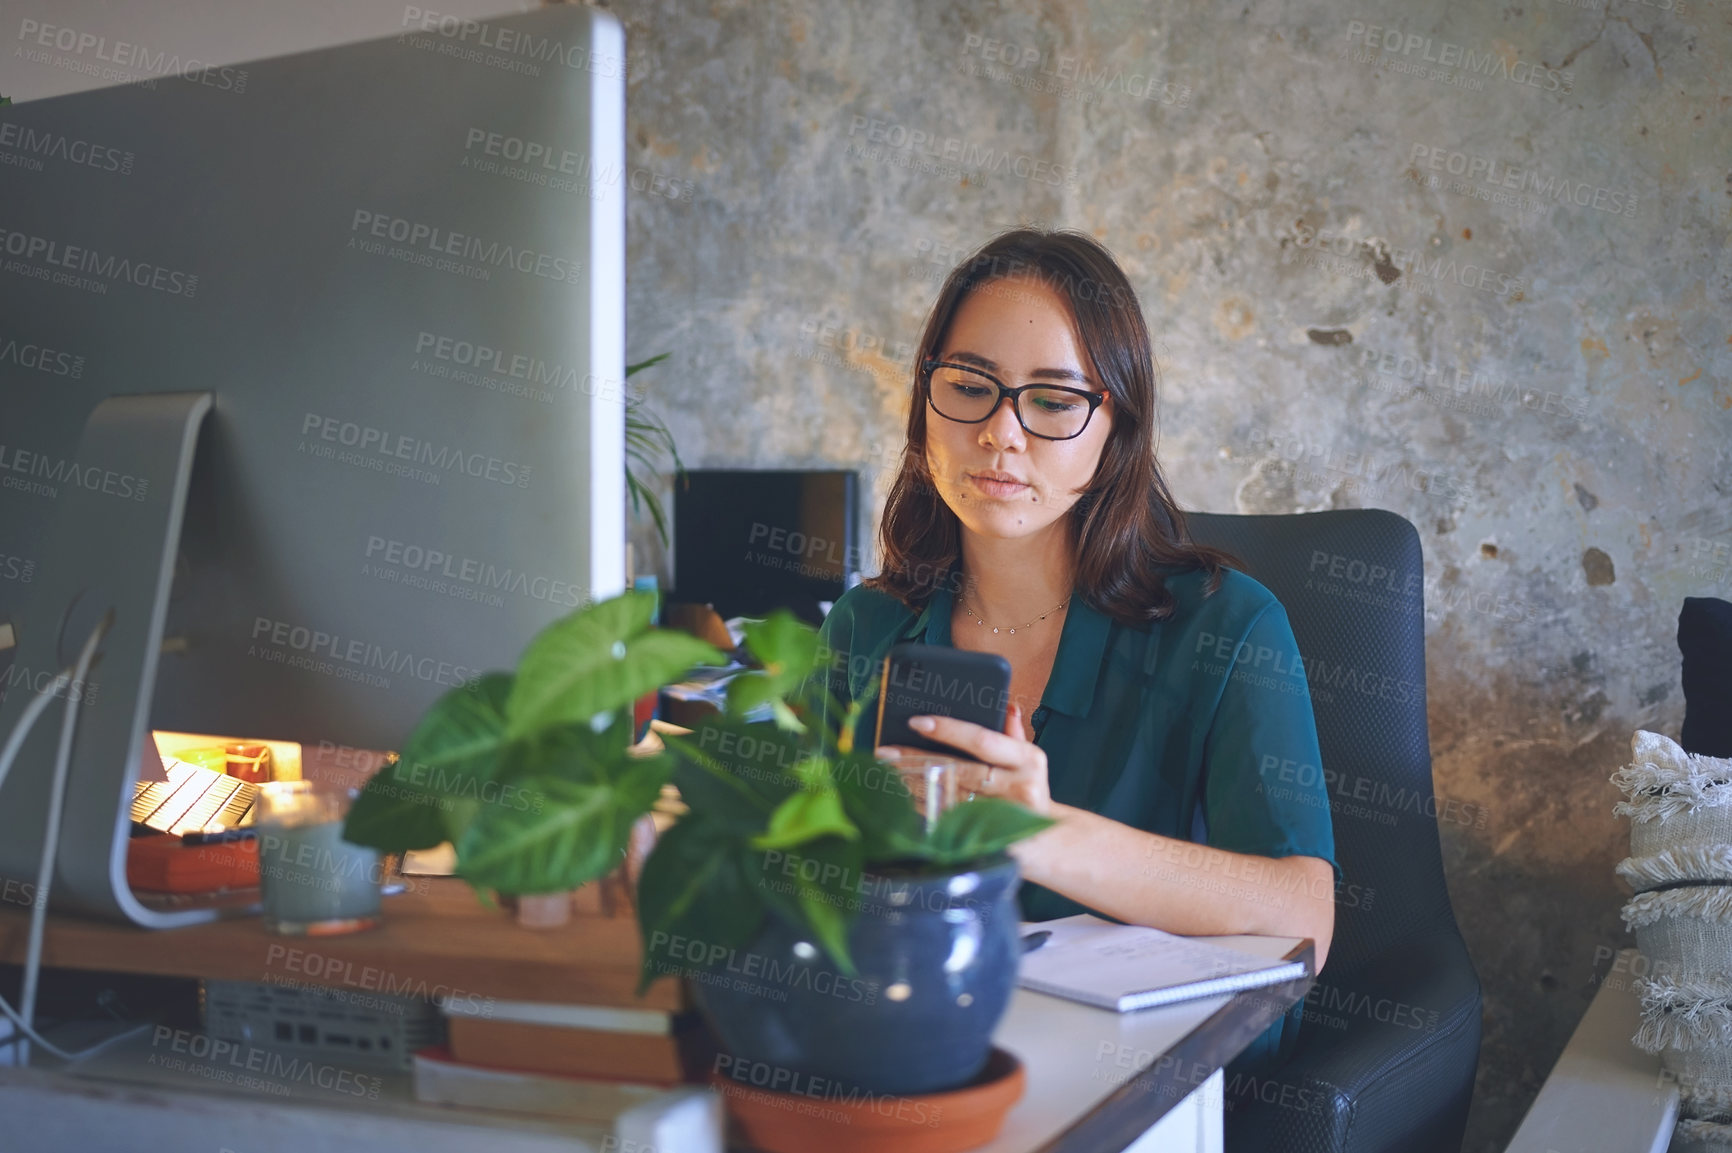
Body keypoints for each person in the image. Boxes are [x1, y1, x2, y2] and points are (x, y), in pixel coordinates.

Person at [813, 228, 1336, 1068]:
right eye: (970, 386)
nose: (1000, 433)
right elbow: (806, 883)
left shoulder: (1230, 625)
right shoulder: (863, 628)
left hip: (1146, 1077)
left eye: (1053, 401)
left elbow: (1304, 914)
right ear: (925, 402)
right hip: (918, 1052)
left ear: (1114, 428)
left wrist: (1041, 833)